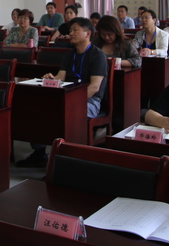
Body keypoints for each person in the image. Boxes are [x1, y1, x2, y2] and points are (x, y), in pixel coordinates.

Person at [17, 18, 108, 168]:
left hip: (89, 101)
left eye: (75, 30)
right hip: (67, 97)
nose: (70, 33)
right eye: (70, 30)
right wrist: (51, 79)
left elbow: (94, 87)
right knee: (38, 109)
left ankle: (67, 161)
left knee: (64, 113)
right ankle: (39, 153)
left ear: (88, 33)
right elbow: (61, 78)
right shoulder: (69, 55)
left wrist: (71, 101)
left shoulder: (98, 55)